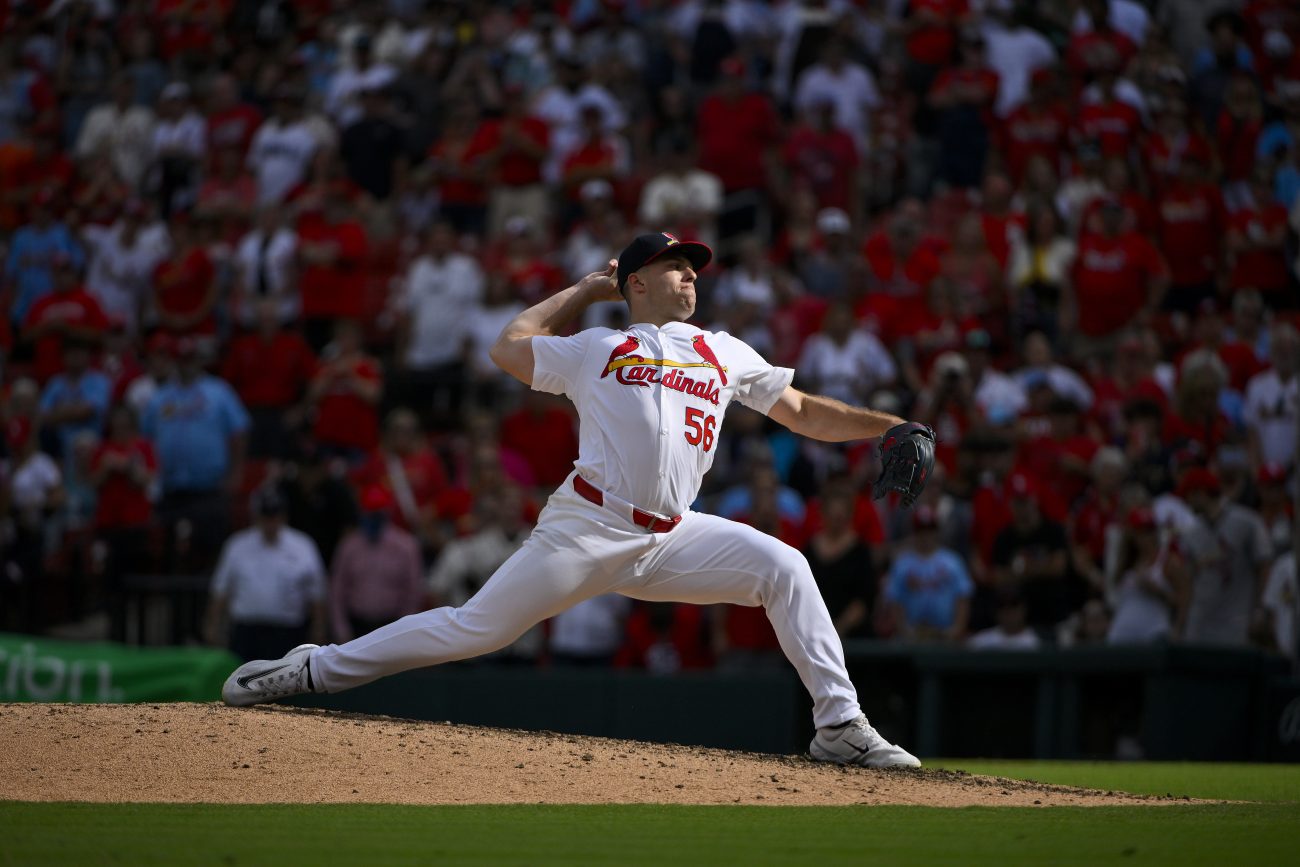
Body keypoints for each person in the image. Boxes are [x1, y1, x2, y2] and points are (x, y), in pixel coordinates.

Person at [222, 231, 925, 769]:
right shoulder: (599, 346)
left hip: (672, 535)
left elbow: (801, 409)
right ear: (637, 281)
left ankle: (839, 727)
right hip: (586, 526)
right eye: (676, 264)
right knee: (476, 629)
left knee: (785, 567)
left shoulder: (722, 349)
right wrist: (584, 291)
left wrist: (886, 426)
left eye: (694, 266)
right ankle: (314, 666)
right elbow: (508, 346)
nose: (690, 274)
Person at [204, 486, 327, 662]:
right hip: (246, 633)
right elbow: (221, 589)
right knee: (245, 684)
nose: (271, 523)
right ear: (256, 516)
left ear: (284, 516)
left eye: (275, 516)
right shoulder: (238, 545)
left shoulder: (303, 546)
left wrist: (319, 628)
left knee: (286, 686)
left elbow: (316, 592)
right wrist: (212, 625)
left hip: (287, 633)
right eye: (266, 516)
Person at [329, 486, 423, 643]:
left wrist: (403, 632)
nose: (372, 519)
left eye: (377, 514)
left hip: (391, 626)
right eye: (369, 513)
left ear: (386, 514)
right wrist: (341, 630)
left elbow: (413, 593)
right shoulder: (349, 546)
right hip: (356, 625)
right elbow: (337, 590)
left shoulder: (406, 546)